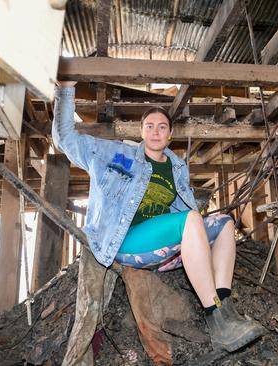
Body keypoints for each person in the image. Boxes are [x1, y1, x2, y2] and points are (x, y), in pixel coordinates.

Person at [52, 81, 264, 352]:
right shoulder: (117, 154)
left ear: (170, 134)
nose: (155, 131)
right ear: (141, 131)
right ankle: (215, 317)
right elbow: (65, 140)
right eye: (149, 126)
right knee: (191, 219)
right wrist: (66, 90)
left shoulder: (177, 168)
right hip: (125, 242)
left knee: (224, 222)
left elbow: (186, 216)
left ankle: (225, 307)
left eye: (162, 126)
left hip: (162, 247)